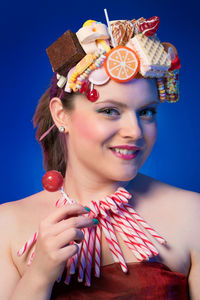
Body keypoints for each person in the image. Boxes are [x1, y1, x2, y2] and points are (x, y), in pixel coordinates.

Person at [0, 14, 200, 300]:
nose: (135, 131)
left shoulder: (193, 215)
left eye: (147, 112)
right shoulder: (7, 225)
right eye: (110, 111)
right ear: (60, 115)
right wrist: (40, 274)